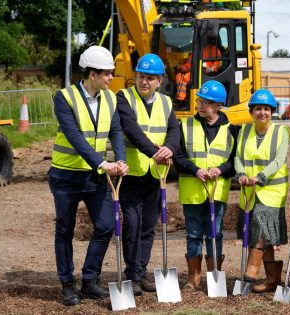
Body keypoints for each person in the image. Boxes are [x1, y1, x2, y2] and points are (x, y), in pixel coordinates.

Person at [48, 45, 128, 306]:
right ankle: (67, 284)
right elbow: (74, 136)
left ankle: (90, 280)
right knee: (65, 230)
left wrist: (121, 159)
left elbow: (116, 130)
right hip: (66, 176)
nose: (110, 79)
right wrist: (101, 163)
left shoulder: (111, 98)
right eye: (106, 74)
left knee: (105, 226)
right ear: (92, 74)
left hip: (95, 178)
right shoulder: (65, 97)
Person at [116, 53, 180, 295]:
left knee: (148, 226)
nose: (144, 82)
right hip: (131, 172)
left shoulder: (166, 102)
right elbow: (131, 129)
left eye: (150, 78)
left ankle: (141, 272)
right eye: (141, 77)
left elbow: (174, 130)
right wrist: (154, 152)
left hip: (155, 174)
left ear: (160, 80)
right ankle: (131, 273)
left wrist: (170, 148)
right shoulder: (124, 97)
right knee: (132, 222)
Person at [173, 80, 238, 290]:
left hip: (217, 191)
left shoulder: (232, 130)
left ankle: (214, 276)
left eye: (207, 102)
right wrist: (195, 170)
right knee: (193, 234)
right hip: (192, 191)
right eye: (200, 101)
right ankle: (193, 276)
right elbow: (178, 156)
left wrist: (220, 170)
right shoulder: (185, 126)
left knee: (215, 234)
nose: (201, 106)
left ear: (218, 105)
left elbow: (235, 161)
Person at [234, 89, 290, 292]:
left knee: (260, 228)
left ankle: (252, 270)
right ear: (251, 112)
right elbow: (238, 157)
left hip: (272, 191)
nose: (262, 113)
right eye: (258, 108)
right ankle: (272, 279)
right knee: (262, 234)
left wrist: (261, 177)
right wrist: (241, 174)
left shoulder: (281, 132)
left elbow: (279, 160)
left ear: (272, 111)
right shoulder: (244, 131)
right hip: (248, 190)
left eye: (266, 108)